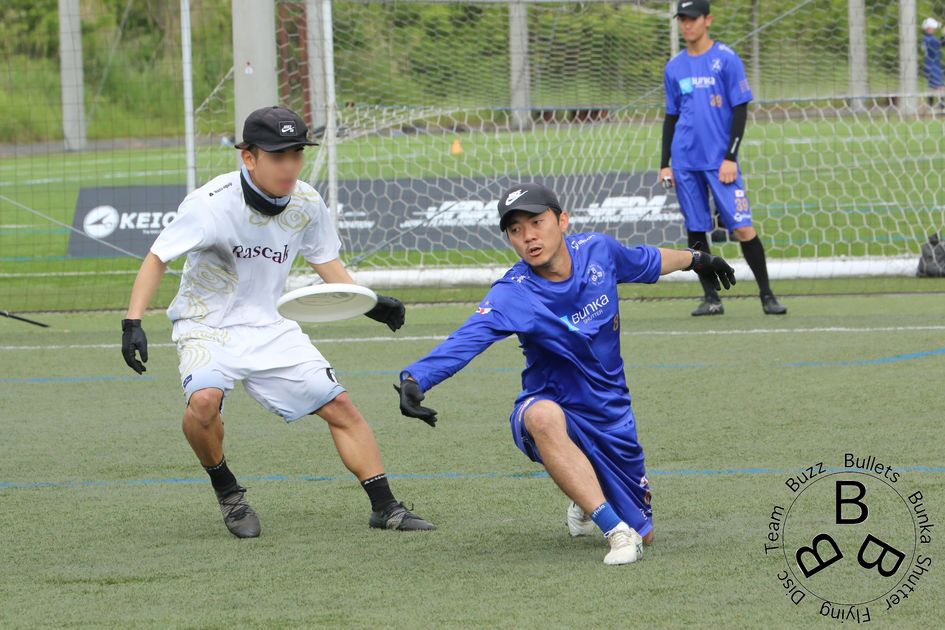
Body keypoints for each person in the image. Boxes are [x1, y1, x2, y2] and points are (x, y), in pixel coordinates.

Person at [121, 105, 434, 538]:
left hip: (269, 325)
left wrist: (367, 301)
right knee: (204, 402)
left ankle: (386, 507)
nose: (290, 165)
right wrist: (132, 321)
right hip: (206, 324)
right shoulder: (210, 205)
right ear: (249, 157)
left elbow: (325, 260)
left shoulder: (306, 202)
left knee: (341, 407)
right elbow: (158, 257)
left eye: (296, 154)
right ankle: (229, 493)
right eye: (278, 155)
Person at [394, 182, 736, 565]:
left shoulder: (599, 252)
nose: (528, 236)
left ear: (562, 221)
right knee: (542, 416)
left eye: (536, 223)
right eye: (516, 230)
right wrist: (415, 379)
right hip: (551, 409)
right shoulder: (513, 293)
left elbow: (648, 260)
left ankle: (585, 497)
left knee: (648, 533)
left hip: (611, 414)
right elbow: (465, 340)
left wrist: (698, 259)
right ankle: (616, 532)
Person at [660, 0, 786, 316]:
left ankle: (767, 295)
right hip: (685, 162)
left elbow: (740, 109)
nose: (687, 24)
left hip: (721, 163)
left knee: (743, 228)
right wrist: (665, 163)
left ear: (707, 20)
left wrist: (731, 156)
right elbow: (671, 117)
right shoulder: (674, 66)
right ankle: (712, 299)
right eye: (682, 19)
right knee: (696, 229)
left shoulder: (726, 59)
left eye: (692, 18)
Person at [922, 17, 944, 109]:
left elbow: (939, 43)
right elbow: (941, 43)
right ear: (928, 29)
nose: (934, 30)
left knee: (931, 86)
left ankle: (930, 106)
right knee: (941, 86)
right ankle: (942, 104)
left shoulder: (926, 38)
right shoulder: (931, 39)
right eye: (933, 28)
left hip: (929, 65)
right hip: (933, 66)